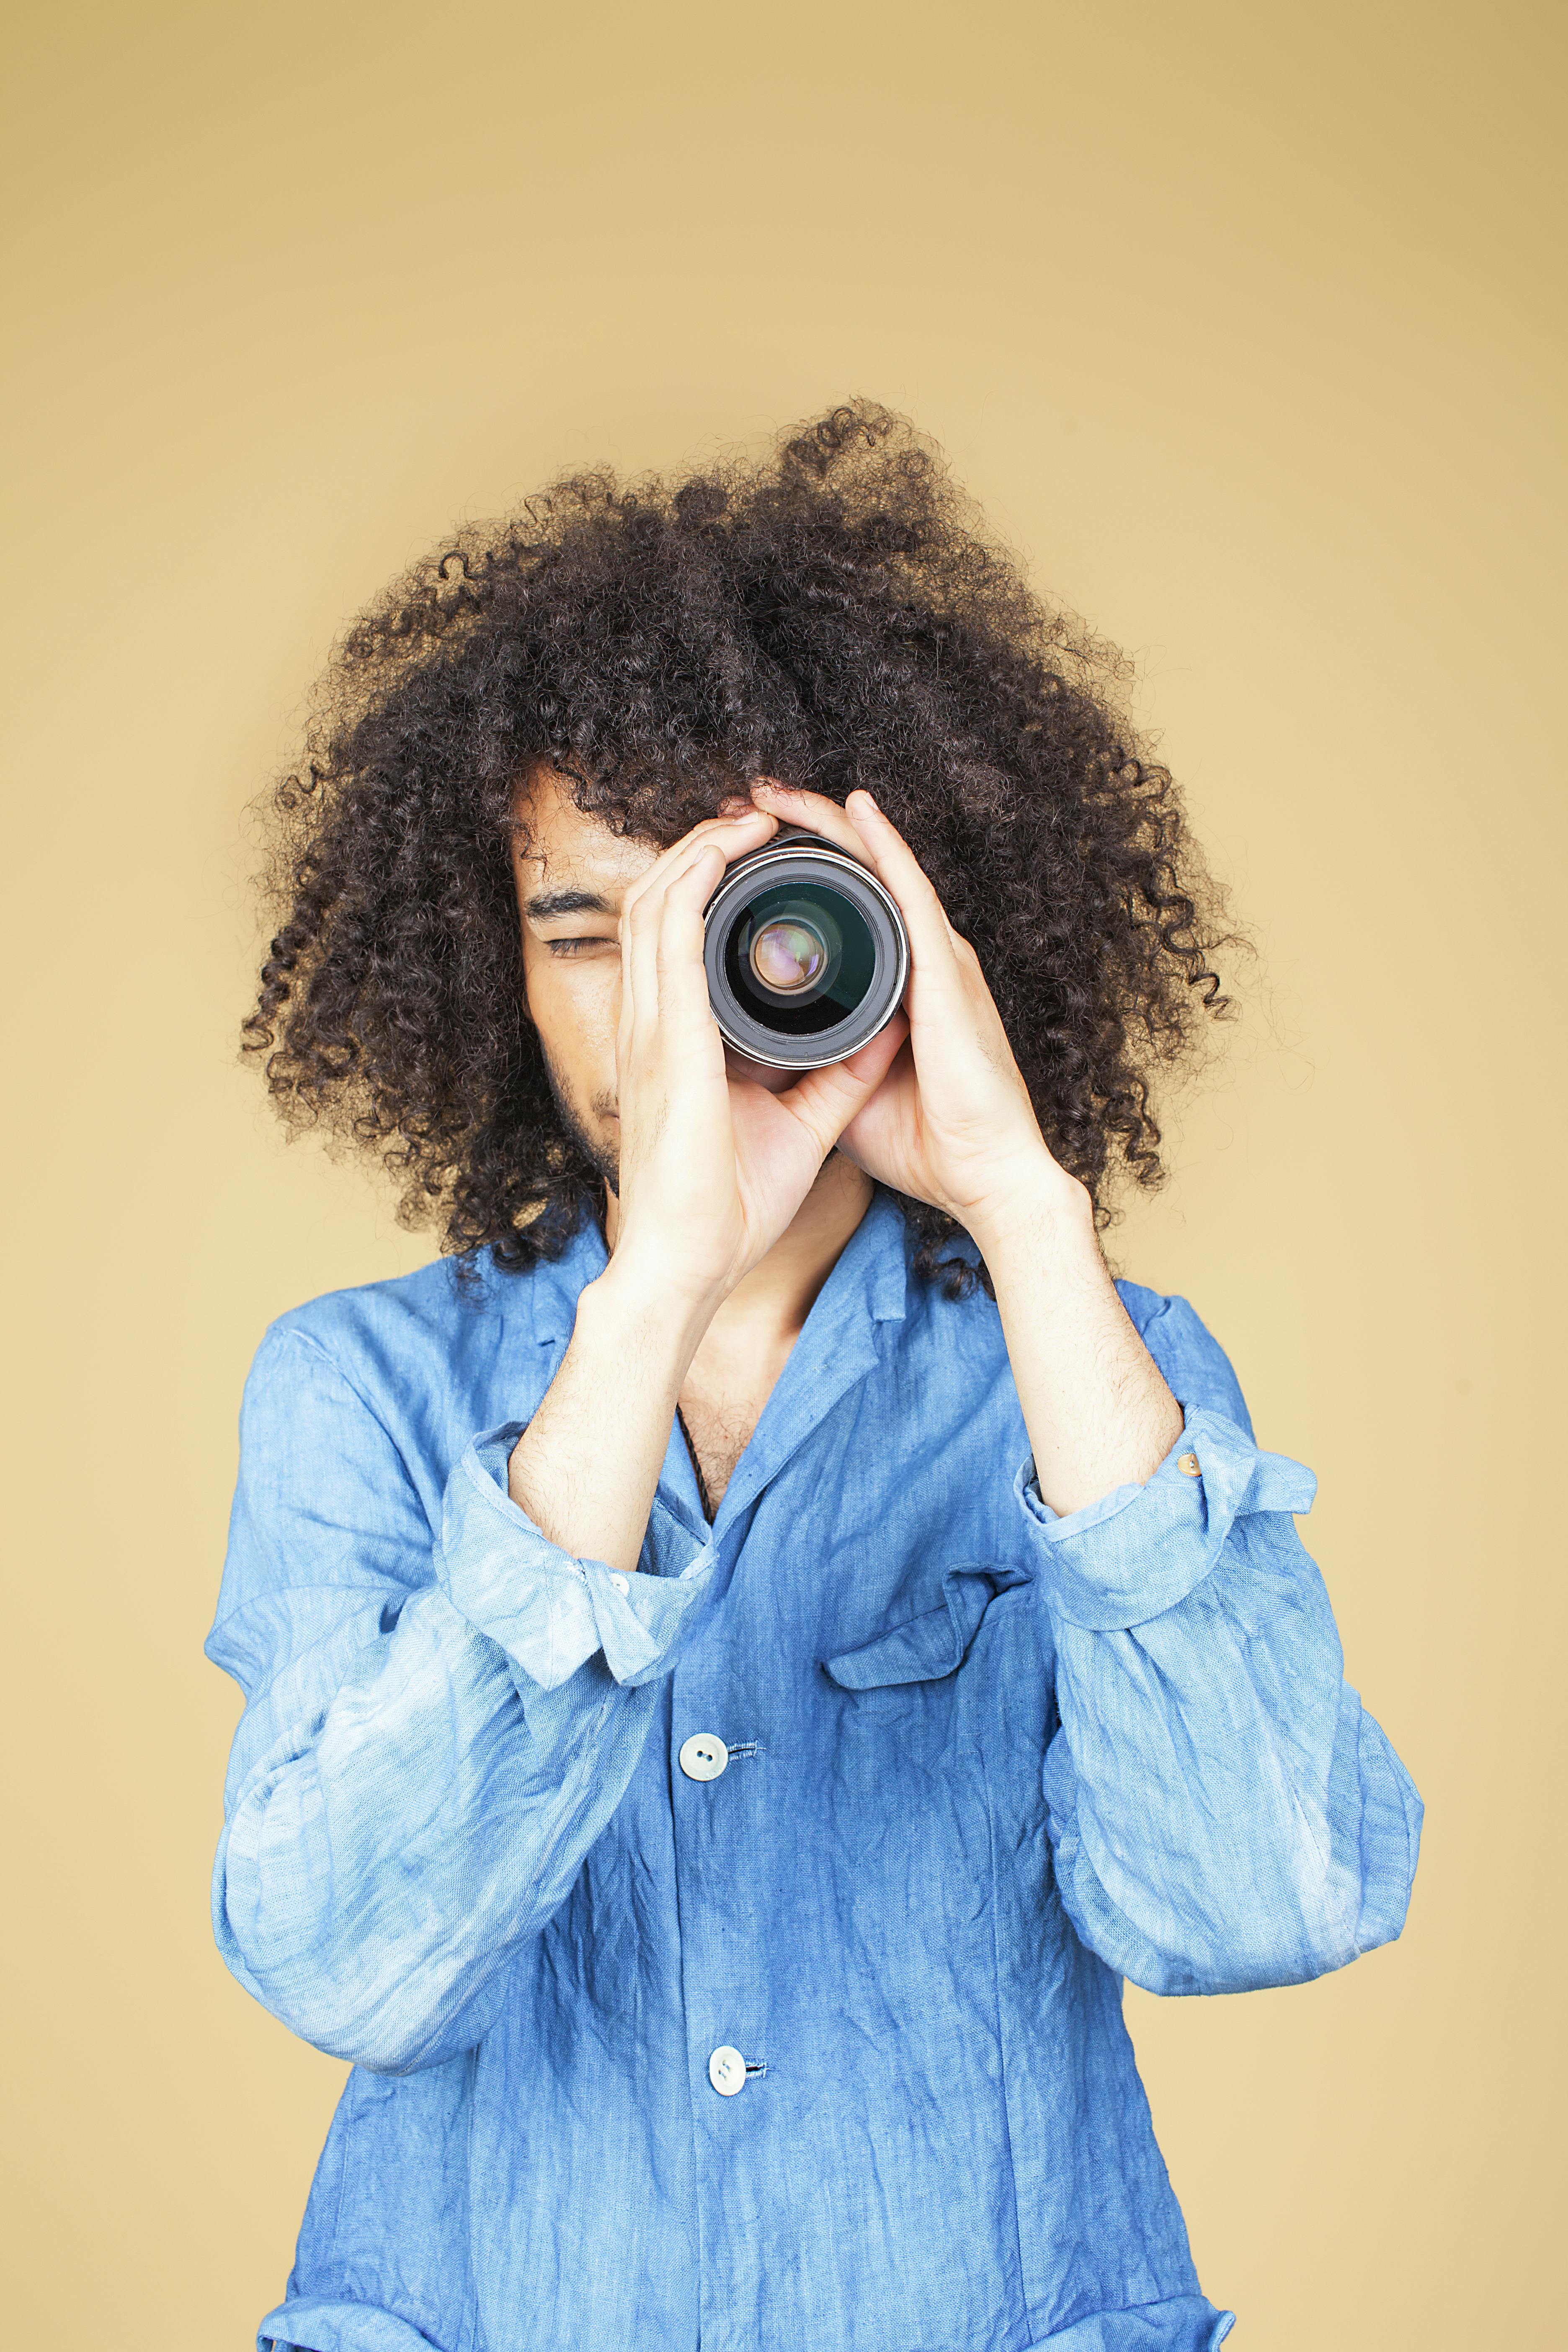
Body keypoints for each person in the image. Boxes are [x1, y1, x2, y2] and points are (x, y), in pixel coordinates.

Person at [209, 402, 1421, 2352]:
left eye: (749, 928)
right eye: (590, 933)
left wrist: (1029, 1212)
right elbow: (354, 1962)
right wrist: (657, 1287)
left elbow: (1255, 1905)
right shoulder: (357, 1387)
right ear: (489, 968)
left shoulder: (1104, 1378)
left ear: (901, 937)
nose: (671, 1009)